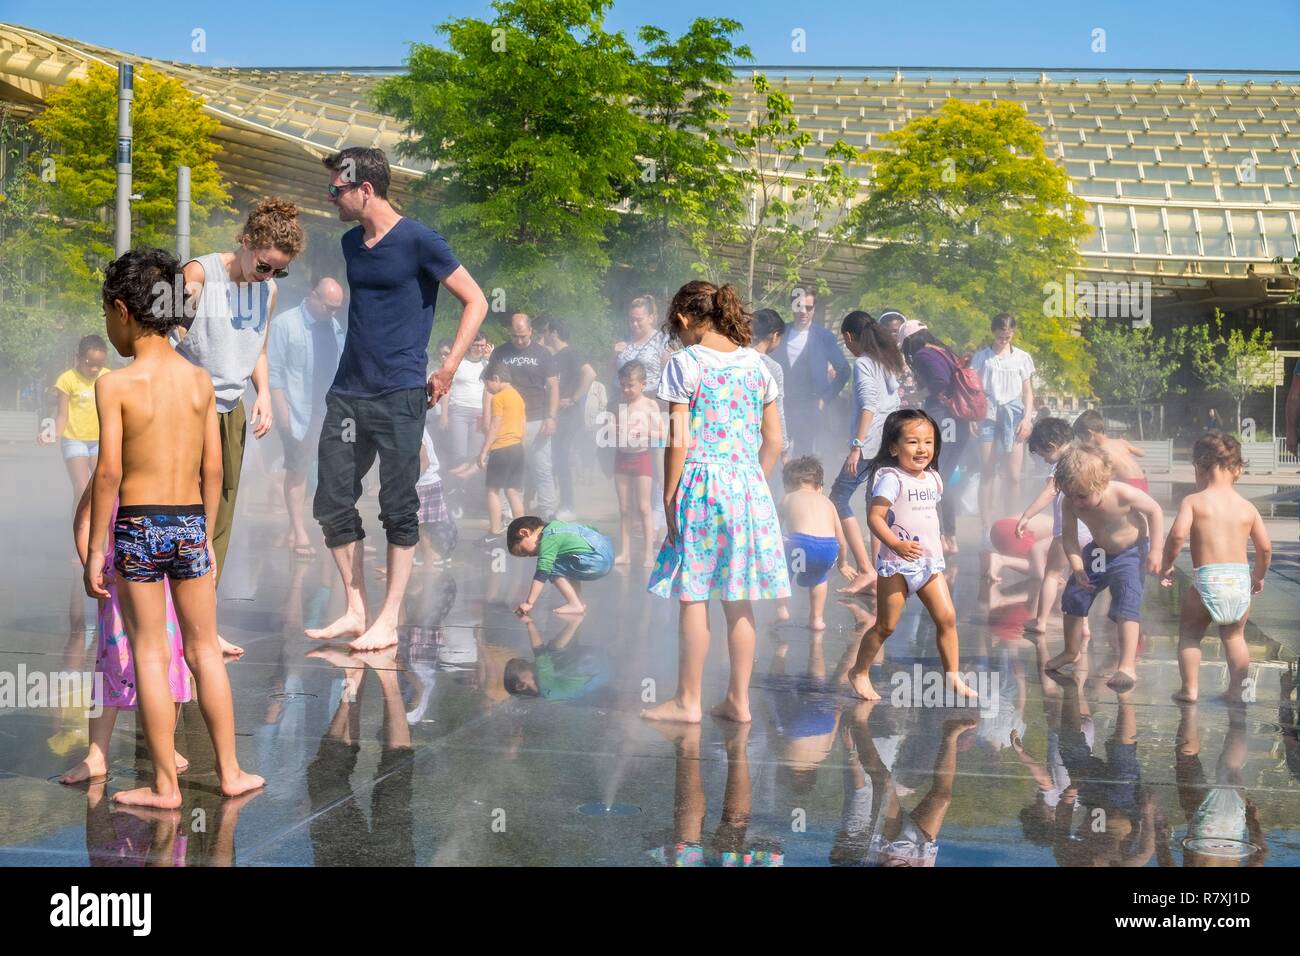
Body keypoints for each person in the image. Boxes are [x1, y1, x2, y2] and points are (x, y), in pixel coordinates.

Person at [85, 247, 263, 807]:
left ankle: (165, 785)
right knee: (204, 649)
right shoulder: (199, 381)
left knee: (149, 652)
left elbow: (108, 472)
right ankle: (231, 772)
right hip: (189, 523)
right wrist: (206, 537)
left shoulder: (114, 386)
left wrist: (96, 549)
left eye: (108, 316)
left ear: (122, 309)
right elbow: (214, 469)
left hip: (138, 527)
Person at [310, 147, 488, 651]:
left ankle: (389, 619)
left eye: (337, 189)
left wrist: (449, 367)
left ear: (365, 189)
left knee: (398, 504)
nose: (331, 198)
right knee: (331, 498)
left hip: (400, 391)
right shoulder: (350, 244)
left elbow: (475, 299)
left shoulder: (419, 241)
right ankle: (354, 609)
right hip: (349, 390)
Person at [644, 281, 789, 725]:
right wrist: (749, 484)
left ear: (685, 320)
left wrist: (670, 495)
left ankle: (688, 701)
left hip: (701, 485)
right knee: (739, 597)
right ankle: (738, 701)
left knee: (693, 594)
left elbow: (678, 439)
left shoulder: (685, 364)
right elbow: (775, 440)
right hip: (748, 487)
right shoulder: (759, 365)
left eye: (677, 329)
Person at [177, 197, 302, 578]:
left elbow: (257, 349)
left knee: (223, 505)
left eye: (278, 272)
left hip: (232, 409)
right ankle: (166, 615)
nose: (267, 277)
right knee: (179, 503)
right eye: (265, 266)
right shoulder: (199, 274)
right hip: (188, 406)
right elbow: (166, 338)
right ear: (246, 241)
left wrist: (262, 392)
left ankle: (203, 615)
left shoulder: (268, 292)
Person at [60, 480, 194, 785]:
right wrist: (91, 567)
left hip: (164, 584)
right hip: (119, 585)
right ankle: (97, 754)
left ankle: (165, 744)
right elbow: (83, 518)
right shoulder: (111, 472)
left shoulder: (166, 468)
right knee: (112, 664)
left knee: (169, 661)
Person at [844, 409, 979, 703]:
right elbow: (875, 517)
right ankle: (859, 671)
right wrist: (896, 544)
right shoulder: (891, 478)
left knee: (947, 618)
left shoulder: (933, 478)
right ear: (894, 447)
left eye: (928, 442)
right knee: (886, 626)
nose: (922, 449)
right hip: (896, 564)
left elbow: (930, 513)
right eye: (913, 442)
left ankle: (953, 674)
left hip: (928, 563)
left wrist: (940, 536)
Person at [1159, 433, 1271, 703]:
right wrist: (1257, 576)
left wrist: (1167, 565)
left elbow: (1176, 536)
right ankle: (1240, 690)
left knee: (1189, 636)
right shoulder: (1248, 507)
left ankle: (1190, 689)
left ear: (1198, 467)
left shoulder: (1194, 501)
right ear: (1238, 470)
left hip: (1207, 580)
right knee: (1235, 638)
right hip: (1239, 580)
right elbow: (1265, 548)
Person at [1051, 443, 1165, 690]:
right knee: (1074, 596)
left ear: (1101, 483)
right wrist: (1077, 566)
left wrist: (1156, 550)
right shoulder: (1070, 502)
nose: (1077, 502)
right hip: (1099, 552)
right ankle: (1071, 651)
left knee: (1127, 602)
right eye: (1071, 495)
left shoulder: (1122, 494)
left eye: (1082, 496)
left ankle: (1126, 665)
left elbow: (1155, 511)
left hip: (1130, 552)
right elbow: (1069, 538)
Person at [267, 277, 346, 558]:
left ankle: (313, 527)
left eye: (338, 307)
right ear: (313, 295)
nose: (333, 312)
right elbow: (272, 373)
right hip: (299, 411)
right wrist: (282, 413)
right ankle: (299, 531)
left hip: (330, 411)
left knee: (333, 472)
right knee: (298, 470)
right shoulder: (285, 325)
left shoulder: (334, 326)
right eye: (329, 306)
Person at [830, 310, 906, 595]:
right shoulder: (885, 360)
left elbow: (868, 406)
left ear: (850, 337)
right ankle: (877, 574)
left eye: (845, 340)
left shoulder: (863, 363)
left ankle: (865, 569)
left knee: (838, 498)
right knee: (874, 504)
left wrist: (856, 447)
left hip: (870, 442)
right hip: (888, 441)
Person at [899, 320, 980, 555]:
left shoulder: (924, 354)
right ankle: (950, 537)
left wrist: (919, 396)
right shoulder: (944, 351)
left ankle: (942, 537)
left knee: (934, 477)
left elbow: (940, 382)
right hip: (959, 422)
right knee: (942, 479)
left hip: (945, 419)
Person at [1017, 418, 1094, 636]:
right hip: (1089, 532)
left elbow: (1051, 491)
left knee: (1052, 574)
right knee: (1081, 576)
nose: (1044, 459)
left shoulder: (1061, 464)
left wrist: (1027, 515)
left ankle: (1040, 621)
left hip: (1066, 534)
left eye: (1043, 455)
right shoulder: (1087, 458)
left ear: (1052, 446)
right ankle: (1085, 625)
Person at [485, 313, 559, 520]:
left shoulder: (543, 353)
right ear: (510, 331)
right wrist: (486, 417)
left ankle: (547, 513)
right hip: (506, 420)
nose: (519, 340)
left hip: (536, 417)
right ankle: (507, 515)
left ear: (531, 332)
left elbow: (553, 386)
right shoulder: (499, 352)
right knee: (507, 469)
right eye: (515, 336)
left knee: (541, 466)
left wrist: (551, 417)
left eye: (523, 336)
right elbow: (489, 386)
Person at [971, 313, 1036, 534]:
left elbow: (1027, 391)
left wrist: (1027, 418)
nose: (1003, 339)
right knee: (987, 471)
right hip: (987, 415)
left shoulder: (1022, 357)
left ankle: (1012, 520)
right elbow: (974, 389)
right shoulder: (982, 357)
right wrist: (972, 416)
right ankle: (985, 525)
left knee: (1014, 475)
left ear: (1013, 333)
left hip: (1014, 414)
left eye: (1007, 335)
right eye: (1000, 335)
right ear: (993, 332)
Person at [772, 289, 850, 457]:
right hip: (779, 405)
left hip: (810, 407)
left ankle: (800, 484)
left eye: (808, 307)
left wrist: (826, 398)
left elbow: (844, 370)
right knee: (776, 451)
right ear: (792, 306)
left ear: (814, 309)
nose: (803, 311)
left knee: (803, 456)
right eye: (799, 306)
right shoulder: (779, 333)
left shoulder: (824, 337)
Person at [452, 364, 525, 542]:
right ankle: (524, 531)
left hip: (501, 448)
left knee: (492, 491)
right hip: (517, 448)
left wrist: (483, 450)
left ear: (496, 379)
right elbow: (523, 424)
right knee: (513, 491)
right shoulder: (517, 396)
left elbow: (494, 425)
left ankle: (494, 531)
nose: (487, 389)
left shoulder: (499, 398)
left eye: (487, 385)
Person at [41, 334, 109, 513]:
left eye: (99, 365)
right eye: (89, 364)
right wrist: (52, 433)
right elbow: (62, 414)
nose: (94, 369)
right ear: (78, 358)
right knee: (82, 487)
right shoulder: (67, 379)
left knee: (100, 489)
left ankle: (96, 533)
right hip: (74, 439)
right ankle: (78, 534)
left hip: (99, 441)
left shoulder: (108, 377)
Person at [780, 456, 848, 632]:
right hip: (827, 549)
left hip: (801, 546)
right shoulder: (828, 502)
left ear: (787, 486)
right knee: (819, 578)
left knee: (783, 569)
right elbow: (841, 539)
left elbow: (773, 532)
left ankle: (781, 609)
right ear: (820, 487)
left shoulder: (787, 498)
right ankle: (817, 619)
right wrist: (842, 563)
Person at [539, 318, 597, 520]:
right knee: (554, 458)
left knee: (561, 458)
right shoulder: (555, 355)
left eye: (544, 330)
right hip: (559, 415)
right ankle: (557, 501)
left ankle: (568, 505)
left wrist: (573, 398)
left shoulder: (569, 354)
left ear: (554, 332)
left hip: (568, 416)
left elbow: (590, 373)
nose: (542, 334)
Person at [508, 515, 614, 616]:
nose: (529, 556)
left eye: (523, 551)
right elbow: (591, 529)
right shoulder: (560, 525)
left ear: (525, 532)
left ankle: (575, 604)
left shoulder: (548, 537)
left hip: (595, 560)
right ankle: (579, 602)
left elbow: (542, 571)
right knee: (568, 564)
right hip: (607, 554)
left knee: (552, 566)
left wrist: (529, 603)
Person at [612, 360, 662, 567]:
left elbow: (662, 433)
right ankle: (625, 553)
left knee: (643, 507)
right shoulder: (619, 405)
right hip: (622, 458)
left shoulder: (650, 405)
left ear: (643, 384)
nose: (626, 389)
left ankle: (648, 553)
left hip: (642, 458)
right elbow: (611, 429)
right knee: (624, 508)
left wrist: (645, 432)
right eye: (623, 385)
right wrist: (612, 430)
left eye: (630, 385)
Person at [441, 332, 490, 467]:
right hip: (458, 411)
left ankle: (470, 485)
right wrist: (444, 415)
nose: (479, 349)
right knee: (459, 452)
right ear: (469, 346)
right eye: (476, 345)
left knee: (476, 453)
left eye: (482, 346)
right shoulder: (458, 363)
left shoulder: (488, 364)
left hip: (480, 412)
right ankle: (457, 485)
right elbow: (446, 389)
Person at [750, 309, 792, 464]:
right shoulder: (771, 367)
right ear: (775, 335)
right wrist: (784, 449)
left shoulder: (735, 357)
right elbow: (778, 411)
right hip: (761, 444)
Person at [415, 421, 458, 567]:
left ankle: (428, 559)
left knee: (419, 526)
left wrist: (408, 483)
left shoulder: (413, 429)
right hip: (429, 482)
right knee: (418, 525)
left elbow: (424, 462)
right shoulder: (418, 426)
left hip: (424, 483)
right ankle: (419, 556)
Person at [1072, 409, 1148, 491]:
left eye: (1082, 438)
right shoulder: (1121, 442)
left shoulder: (1100, 452)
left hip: (1129, 487)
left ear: (1090, 433)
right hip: (1143, 482)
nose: (1082, 442)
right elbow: (1142, 453)